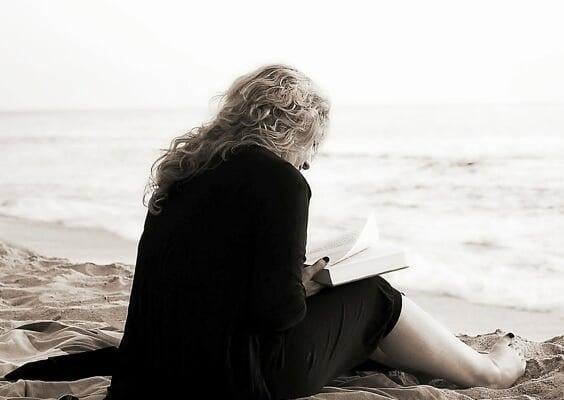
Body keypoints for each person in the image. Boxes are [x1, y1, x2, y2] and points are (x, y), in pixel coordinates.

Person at [5, 64, 526, 399]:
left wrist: (292, 279)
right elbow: (276, 313)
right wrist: (310, 282)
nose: (309, 162)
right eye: (311, 146)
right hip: (234, 381)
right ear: (293, 131)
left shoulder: (185, 173)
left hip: (157, 371)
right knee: (373, 295)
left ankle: (435, 357)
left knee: (352, 313)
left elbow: (197, 283)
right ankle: (489, 373)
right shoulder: (280, 180)